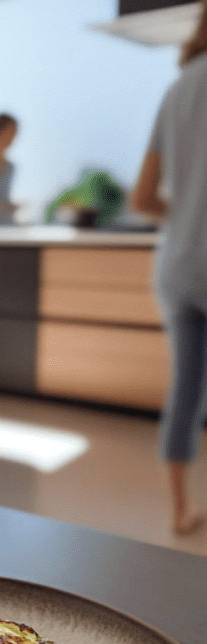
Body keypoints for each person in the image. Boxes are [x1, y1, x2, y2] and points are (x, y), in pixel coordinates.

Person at [131, 2, 207, 535]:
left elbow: (142, 198)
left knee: (185, 389)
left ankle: (180, 510)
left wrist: (184, 212)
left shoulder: (178, 88)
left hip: (180, 264)